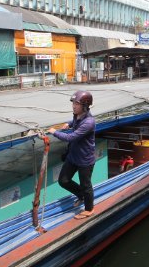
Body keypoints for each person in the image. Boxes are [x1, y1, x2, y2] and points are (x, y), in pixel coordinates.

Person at [48, 90, 96, 220]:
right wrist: (69, 123)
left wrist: (54, 132)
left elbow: (71, 137)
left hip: (85, 159)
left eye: (77, 104)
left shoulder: (89, 122)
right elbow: (74, 121)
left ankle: (89, 209)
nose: (74, 106)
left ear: (85, 106)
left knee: (86, 185)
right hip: (73, 156)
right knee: (63, 181)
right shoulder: (77, 115)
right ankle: (81, 195)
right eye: (73, 103)